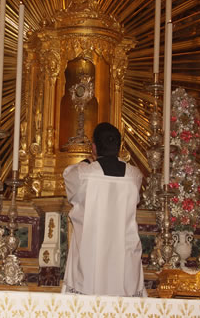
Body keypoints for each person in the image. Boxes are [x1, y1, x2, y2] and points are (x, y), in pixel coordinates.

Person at [62, 122, 146, 297]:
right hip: (124, 263)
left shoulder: (84, 174)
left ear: (93, 147)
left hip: (90, 261)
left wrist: (89, 160)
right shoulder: (134, 177)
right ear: (119, 146)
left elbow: (68, 176)